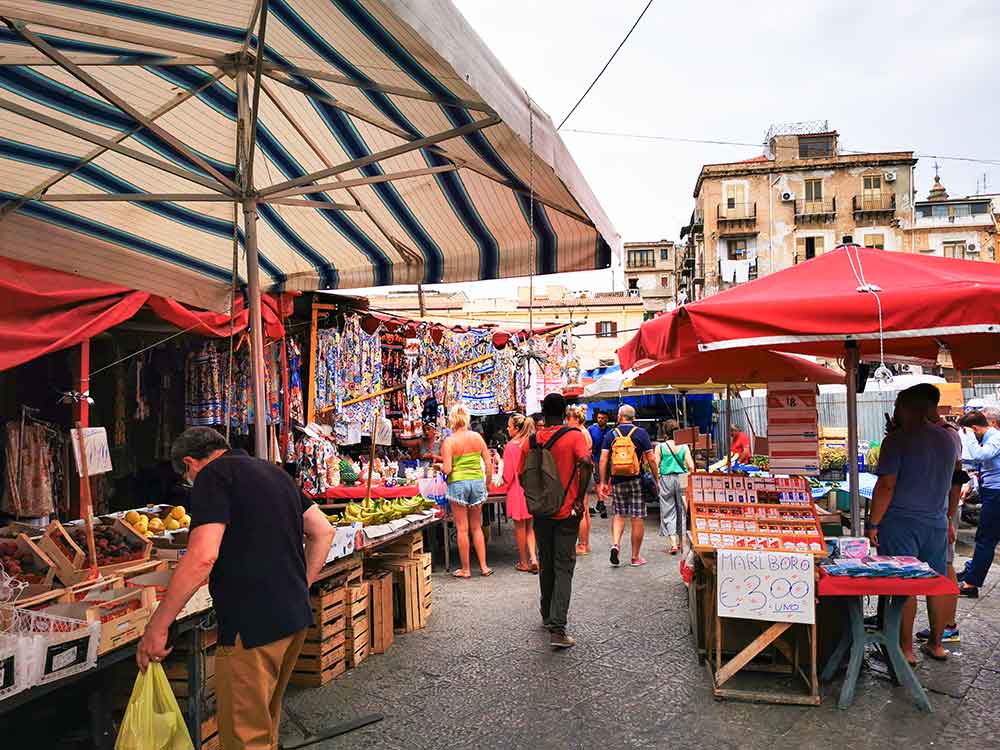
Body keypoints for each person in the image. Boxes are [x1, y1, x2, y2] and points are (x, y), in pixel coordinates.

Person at [137, 428, 335, 750]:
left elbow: (203, 555)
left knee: (245, 739)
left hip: (251, 627)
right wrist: (301, 584)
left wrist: (158, 626)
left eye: (186, 476)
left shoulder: (212, 477)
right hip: (294, 617)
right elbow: (323, 531)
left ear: (190, 463)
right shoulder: (275, 472)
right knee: (265, 727)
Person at [868, 388, 957, 663]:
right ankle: (937, 644)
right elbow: (953, 480)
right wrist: (950, 517)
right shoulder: (948, 439)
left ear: (904, 408)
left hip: (901, 522)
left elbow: (886, 485)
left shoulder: (897, 440)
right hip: (936, 522)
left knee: (903, 586)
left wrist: (873, 523)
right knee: (937, 582)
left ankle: (905, 650)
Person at [522, 393, 592, 648]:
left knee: (546, 561)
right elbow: (585, 462)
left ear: (543, 410)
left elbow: (521, 474)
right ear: (564, 412)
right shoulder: (574, 436)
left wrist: (537, 497)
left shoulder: (531, 441)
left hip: (541, 512)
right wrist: (580, 497)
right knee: (564, 566)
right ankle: (558, 629)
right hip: (566, 513)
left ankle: (546, 613)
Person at [909, 383, 965, 644]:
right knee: (939, 567)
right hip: (933, 510)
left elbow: (956, 479)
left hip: (941, 510)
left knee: (944, 567)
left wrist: (950, 517)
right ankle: (941, 631)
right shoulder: (924, 433)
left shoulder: (947, 434)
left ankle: (946, 627)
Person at [599, 405, 659, 567]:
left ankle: (615, 544)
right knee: (637, 517)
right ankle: (635, 557)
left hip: (617, 480)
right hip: (636, 480)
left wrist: (603, 482)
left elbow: (603, 459)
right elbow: (652, 459)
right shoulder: (641, 433)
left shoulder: (611, 434)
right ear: (633, 417)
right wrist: (656, 479)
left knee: (618, 514)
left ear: (620, 416)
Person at [441, 404, 494, 579]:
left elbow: (447, 469)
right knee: (476, 527)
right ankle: (484, 566)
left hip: (458, 484)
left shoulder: (449, 441)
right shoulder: (477, 437)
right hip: (477, 483)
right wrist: (487, 484)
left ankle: (466, 569)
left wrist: (439, 466)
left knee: (462, 529)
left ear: (452, 420)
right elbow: (488, 464)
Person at [957, 410, 1000, 598]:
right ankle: (972, 570)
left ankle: (971, 584)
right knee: (983, 536)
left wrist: (969, 438)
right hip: (990, 491)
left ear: (974, 428)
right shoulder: (989, 437)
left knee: (986, 539)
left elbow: (980, 456)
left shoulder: (995, 438)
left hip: (996, 494)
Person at [493, 413, 538, 573]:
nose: (507, 428)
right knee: (530, 528)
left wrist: (500, 464)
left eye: (509, 426)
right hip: (532, 489)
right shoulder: (531, 442)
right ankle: (534, 558)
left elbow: (508, 475)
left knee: (520, 528)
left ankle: (524, 562)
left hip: (517, 490)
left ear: (516, 428)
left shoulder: (511, 446)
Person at [657, 419, 694, 554]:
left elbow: (656, 466)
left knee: (668, 509)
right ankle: (683, 542)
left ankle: (673, 544)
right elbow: (691, 466)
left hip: (666, 478)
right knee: (683, 509)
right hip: (683, 477)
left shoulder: (660, 447)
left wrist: (658, 478)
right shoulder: (684, 446)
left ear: (664, 432)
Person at [565, 404, 594, 554]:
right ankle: (585, 543)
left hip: (580, 473)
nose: (566, 422)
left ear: (575, 419)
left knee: (581, 509)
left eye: (568, 419)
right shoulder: (586, 431)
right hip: (587, 472)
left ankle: (582, 544)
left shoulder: (579, 433)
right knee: (586, 510)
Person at [588, 410, 610, 518]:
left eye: (602, 418)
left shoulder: (610, 431)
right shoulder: (591, 429)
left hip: (607, 460)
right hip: (596, 458)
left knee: (605, 480)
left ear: (607, 419)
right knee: (598, 481)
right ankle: (601, 503)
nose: (600, 419)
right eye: (599, 418)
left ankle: (599, 501)